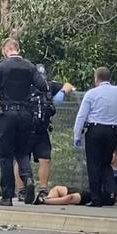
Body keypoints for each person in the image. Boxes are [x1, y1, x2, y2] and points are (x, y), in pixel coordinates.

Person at [0, 38, 48, 206]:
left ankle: (7, 196)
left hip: (7, 115)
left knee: (5, 155)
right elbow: (42, 86)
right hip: (26, 115)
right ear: (18, 49)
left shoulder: (1, 66)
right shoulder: (30, 66)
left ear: (5, 50)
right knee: (23, 151)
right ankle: (29, 179)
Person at [73, 67, 117, 207]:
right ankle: (111, 195)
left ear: (96, 79)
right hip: (112, 132)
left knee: (93, 165)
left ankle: (96, 198)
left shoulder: (91, 94)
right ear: (109, 78)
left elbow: (81, 116)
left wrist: (77, 135)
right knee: (105, 164)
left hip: (95, 131)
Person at [14, 65, 75, 202]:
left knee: (45, 159)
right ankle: (22, 191)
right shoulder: (23, 87)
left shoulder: (49, 86)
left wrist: (62, 93)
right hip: (24, 129)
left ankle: (43, 190)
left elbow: (68, 85)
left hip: (41, 130)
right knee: (20, 160)